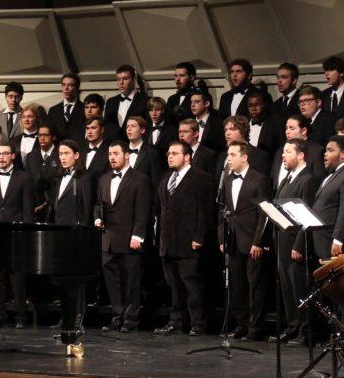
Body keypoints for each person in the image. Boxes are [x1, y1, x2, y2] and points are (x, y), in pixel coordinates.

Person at [155, 140, 213, 336]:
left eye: (174, 153)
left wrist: (199, 236)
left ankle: (198, 323)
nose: (169, 156)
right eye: (168, 153)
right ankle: (177, 321)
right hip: (168, 242)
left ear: (187, 157)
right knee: (174, 285)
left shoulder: (200, 178)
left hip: (189, 242)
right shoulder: (165, 178)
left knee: (192, 285)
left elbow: (205, 211)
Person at [217, 141, 273, 340]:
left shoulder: (259, 180)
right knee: (237, 284)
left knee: (254, 286)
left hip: (252, 240)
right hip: (233, 240)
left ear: (244, 157)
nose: (229, 159)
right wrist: (222, 237)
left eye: (233, 155)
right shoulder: (228, 180)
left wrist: (258, 242)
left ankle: (255, 327)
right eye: (228, 155)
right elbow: (223, 210)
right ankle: (241, 323)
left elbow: (264, 214)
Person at [94, 141, 151, 332]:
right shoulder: (103, 179)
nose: (112, 157)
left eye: (116, 153)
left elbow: (143, 211)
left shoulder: (139, 179)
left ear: (126, 155)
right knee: (113, 281)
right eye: (110, 154)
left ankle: (131, 319)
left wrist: (138, 236)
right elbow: (98, 204)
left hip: (129, 239)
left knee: (132, 281)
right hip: (108, 239)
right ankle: (118, 316)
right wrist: (97, 218)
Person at [0, 142, 34, 327]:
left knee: (17, 277)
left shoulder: (24, 178)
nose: (1, 157)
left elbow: (28, 210)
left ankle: (20, 316)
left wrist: (26, 233)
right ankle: (0, 316)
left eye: (5, 154)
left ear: (13, 156)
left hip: (16, 234)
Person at [270, 139, 318, 344]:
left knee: (300, 288)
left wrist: (299, 244)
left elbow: (307, 214)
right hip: (282, 241)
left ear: (301, 155)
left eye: (288, 151)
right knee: (287, 289)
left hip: (296, 244)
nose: (283, 155)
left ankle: (306, 331)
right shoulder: (286, 179)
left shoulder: (308, 180)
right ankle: (293, 326)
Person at [46, 139, 92, 325]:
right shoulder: (58, 178)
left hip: (76, 234)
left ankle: (78, 315)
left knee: (76, 279)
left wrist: (83, 231)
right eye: (61, 154)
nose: (63, 157)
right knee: (63, 278)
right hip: (60, 234)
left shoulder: (84, 178)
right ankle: (67, 315)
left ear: (77, 155)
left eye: (66, 153)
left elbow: (86, 208)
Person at [105, 64, 149, 137]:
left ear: (134, 79)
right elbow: (107, 127)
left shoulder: (146, 101)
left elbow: (148, 128)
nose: (121, 82)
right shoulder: (111, 102)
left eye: (125, 79)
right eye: (118, 79)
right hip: (114, 146)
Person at [47, 73, 85, 143]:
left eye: (70, 85)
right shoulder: (53, 110)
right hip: (59, 150)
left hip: (79, 150)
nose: (66, 88)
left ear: (77, 88)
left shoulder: (84, 108)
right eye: (64, 85)